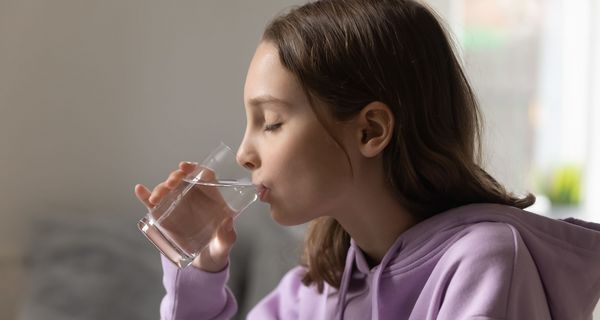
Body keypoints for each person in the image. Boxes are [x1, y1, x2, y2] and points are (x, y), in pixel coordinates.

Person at [134, 0, 600, 319]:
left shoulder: (483, 262)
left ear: (370, 130)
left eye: (271, 121)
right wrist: (197, 271)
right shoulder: (313, 293)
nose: (243, 153)